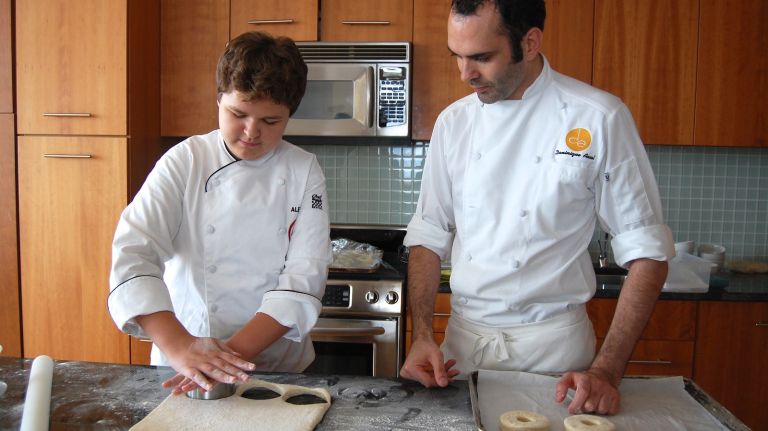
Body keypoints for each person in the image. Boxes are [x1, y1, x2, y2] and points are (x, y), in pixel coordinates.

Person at [400, 0, 674, 416]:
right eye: (457, 57)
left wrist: (606, 371)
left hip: (555, 360)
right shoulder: (453, 124)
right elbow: (428, 235)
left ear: (529, 43)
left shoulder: (598, 117)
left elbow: (649, 253)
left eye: (482, 58)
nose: (465, 74)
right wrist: (421, 334)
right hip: (461, 350)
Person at [108, 31, 331, 395]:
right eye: (238, 113)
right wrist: (183, 348)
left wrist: (224, 361)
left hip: (275, 372)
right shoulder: (185, 161)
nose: (251, 132)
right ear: (218, 98)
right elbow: (134, 254)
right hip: (184, 365)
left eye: (271, 122)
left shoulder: (304, 171)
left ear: (290, 115)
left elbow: (301, 279)